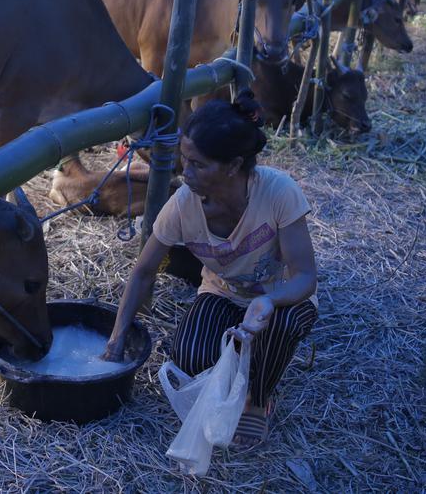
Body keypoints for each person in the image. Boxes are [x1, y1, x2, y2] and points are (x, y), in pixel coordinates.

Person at [103, 91, 319, 448]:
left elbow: (305, 277)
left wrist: (269, 300)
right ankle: (237, 368)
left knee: (280, 326)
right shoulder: (184, 205)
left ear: (233, 166)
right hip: (224, 292)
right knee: (189, 353)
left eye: (198, 164)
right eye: (184, 160)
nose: (185, 172)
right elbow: (144, 270)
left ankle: (257, 399)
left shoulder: (279, 193)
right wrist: (116, 339)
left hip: (280, 295)